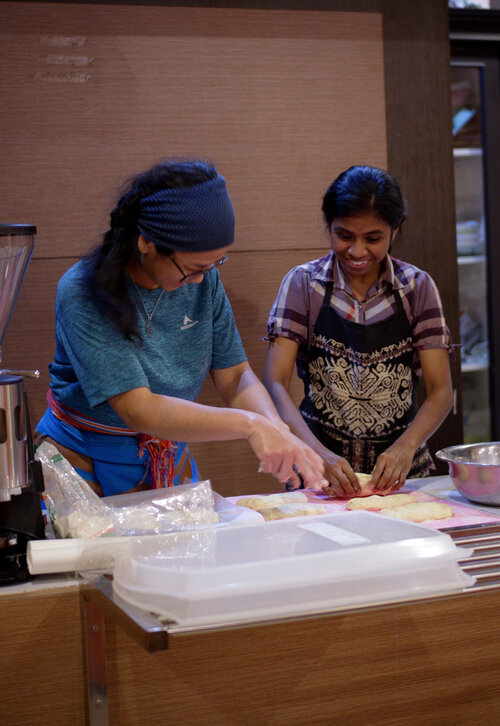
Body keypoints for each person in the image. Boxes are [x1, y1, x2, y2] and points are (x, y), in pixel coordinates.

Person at [36, 158, 327, 496]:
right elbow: (138, 409)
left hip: (166, 458)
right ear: (146, 242)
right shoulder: (83, 291)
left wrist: (277, 431)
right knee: (98, 550)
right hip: (83, 461)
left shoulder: (204, 280)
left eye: (214, 264)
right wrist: (252, 425)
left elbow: (234, 376)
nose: (200, 279)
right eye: (191, 268)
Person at [263, 165, 453, 499]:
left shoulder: (416, 287)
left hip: (402, 475)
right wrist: (318, 453)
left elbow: (441, 391)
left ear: (395, 230)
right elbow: (275, 382)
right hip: (320, 472)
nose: (358, 251)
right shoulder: (303, 284)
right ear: (329, 227)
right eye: (345, 236)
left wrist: (404, 448)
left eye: (373, 238)